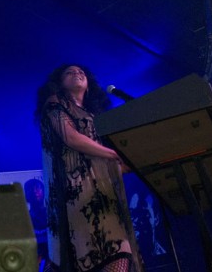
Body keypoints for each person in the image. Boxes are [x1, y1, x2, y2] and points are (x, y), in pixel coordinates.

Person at [34, 64, 142, 272]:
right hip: (76, 195)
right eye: (70, 72)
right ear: (59, 83)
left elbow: (107, 165)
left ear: (89, 85)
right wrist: (113, 155)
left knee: (120, 253)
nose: (77, 73)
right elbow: (71, 138)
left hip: (104, 194)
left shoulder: (95, 115)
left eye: (82, 72)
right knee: (111, 252)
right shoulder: (55, 104)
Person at [24, 178, 48, 264]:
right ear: (26, 194)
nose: (35, 192)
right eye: (31, 189)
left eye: (38, 188)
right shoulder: (25, 219)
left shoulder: (52, 214)